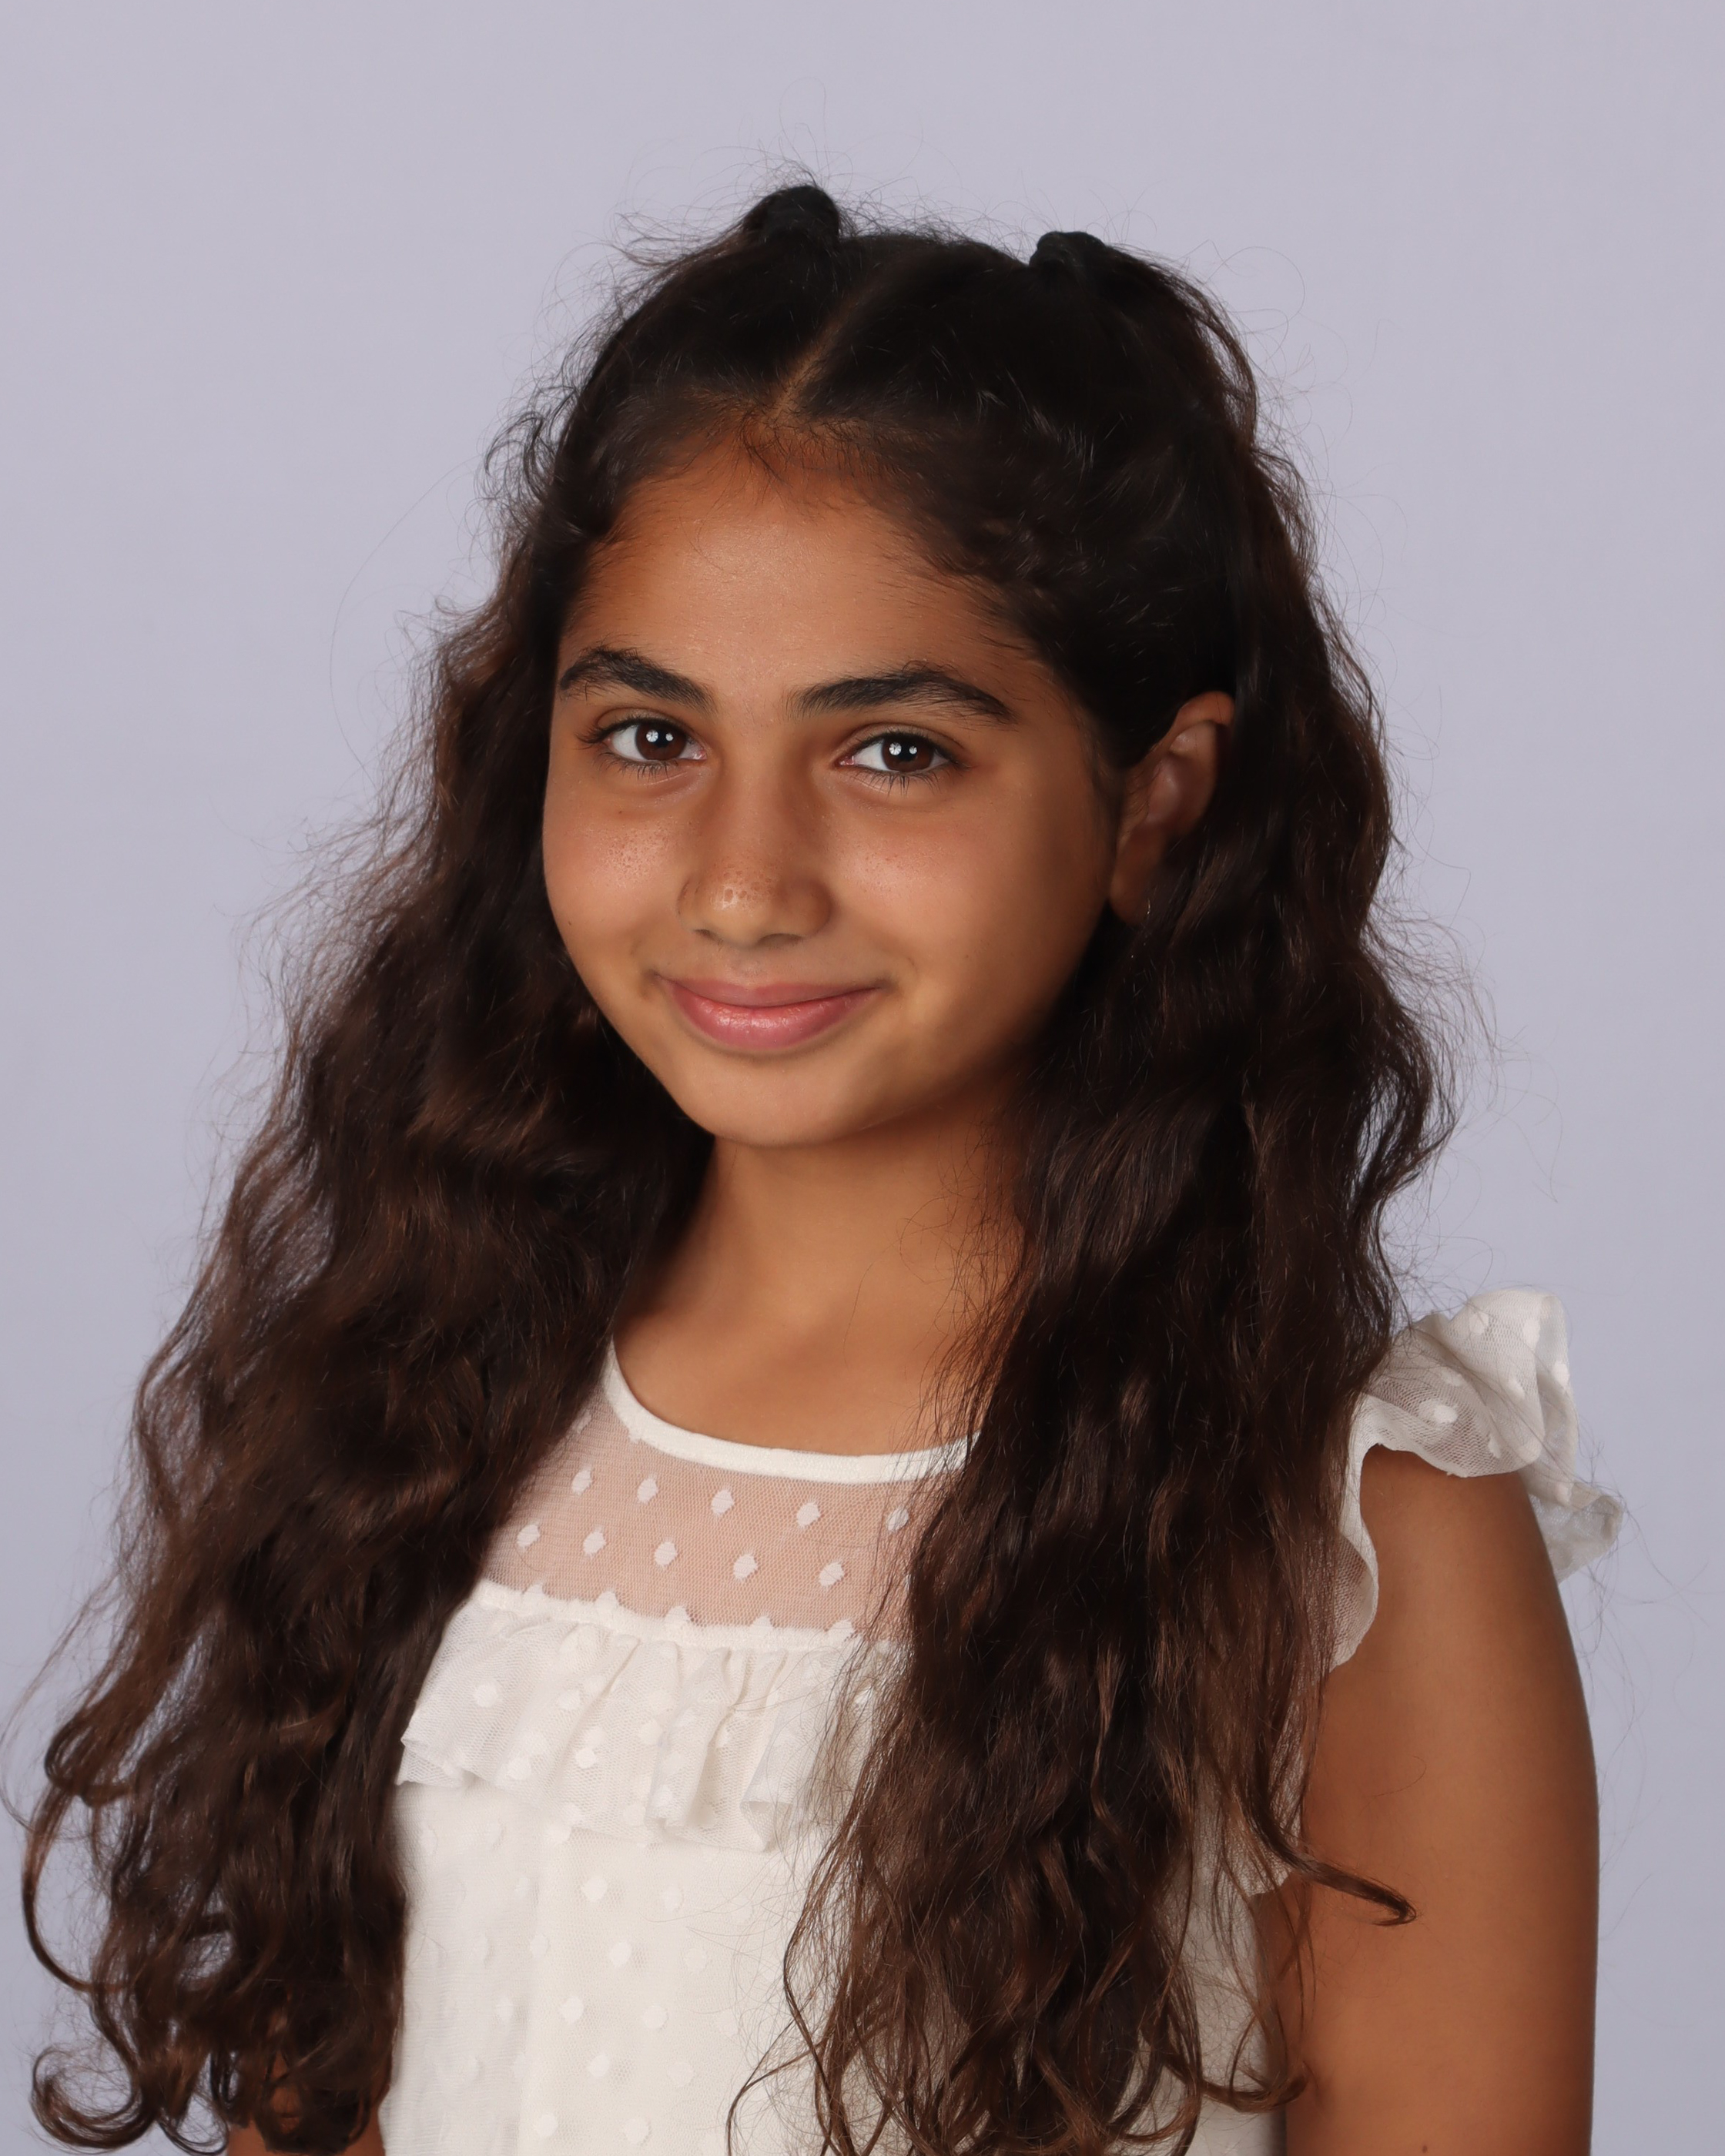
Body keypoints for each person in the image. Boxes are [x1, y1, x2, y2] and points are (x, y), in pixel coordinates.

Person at [22, 184, 1619, 2156]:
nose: (744, 879)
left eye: (894, 753)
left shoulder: (1344, 1532)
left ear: (1156, 806)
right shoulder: (428, 1401)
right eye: (647, 736)